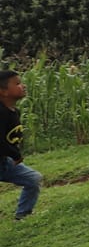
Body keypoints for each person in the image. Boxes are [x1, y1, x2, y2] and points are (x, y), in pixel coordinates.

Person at [0, 69, 40, 221]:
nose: (23, 86)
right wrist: (16, 155)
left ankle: (23, 215)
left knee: (32, 179)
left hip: (4, 161)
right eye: (17, 84)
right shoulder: (1, 113)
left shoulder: (13, 111)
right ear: (3, 92)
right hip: (7, 158)